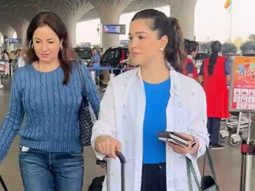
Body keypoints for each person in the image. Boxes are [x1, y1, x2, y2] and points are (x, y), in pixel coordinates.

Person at [91, 9, 209, 191]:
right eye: (131, 38)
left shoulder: (190, 90)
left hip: (175, 178)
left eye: (141, 37)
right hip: (129, 176)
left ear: (162, 42)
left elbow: (201, 136)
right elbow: (102, 126)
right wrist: (102, 139)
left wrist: (193, 144)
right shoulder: (119, 86)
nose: (132, 45)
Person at [0, 11, 100, 191]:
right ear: (31, 42)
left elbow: (100, 109)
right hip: (32, 157)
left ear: (62, 42)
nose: (43, 48)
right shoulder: (22, 76)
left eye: (50, 41)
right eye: (38, 41)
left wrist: (107, 144)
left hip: (70, 157)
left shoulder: (78, 71)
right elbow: (13, 119)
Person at [199, 40, 230, 149]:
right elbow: (228, 78)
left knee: (207, 115)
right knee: (216, 117)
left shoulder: (205, 61)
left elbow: (200, 78)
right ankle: (214, 141)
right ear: (220, 49)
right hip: (219, 92)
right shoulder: (224, 61)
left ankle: (205, 140)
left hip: (207, 92)